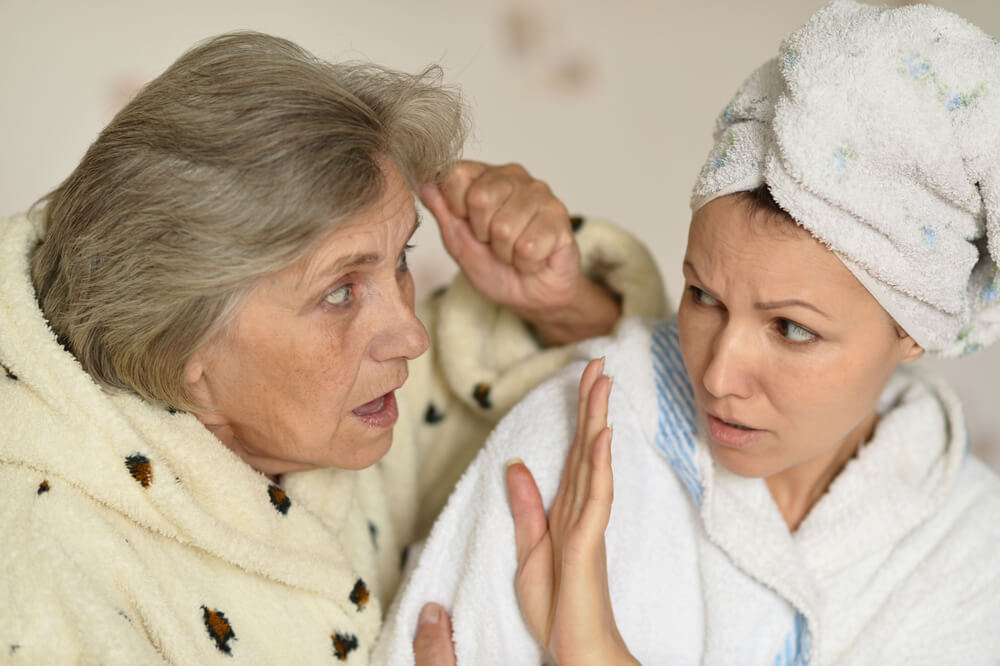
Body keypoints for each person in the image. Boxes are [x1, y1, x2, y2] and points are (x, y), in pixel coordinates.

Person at [0, 32, 668, 663]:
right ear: (182, 343)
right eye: (340, 293)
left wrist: (557, 303)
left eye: (400, 259)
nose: (411, 332)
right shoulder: (39, 563)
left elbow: (534, 406)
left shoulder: (322, 422)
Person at [385, 2, 1000, 664]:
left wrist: (593, 653)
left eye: (791, 328)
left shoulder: (967, 552)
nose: (716, 373)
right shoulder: (582, 438)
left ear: (914, 332)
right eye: (703, 296)